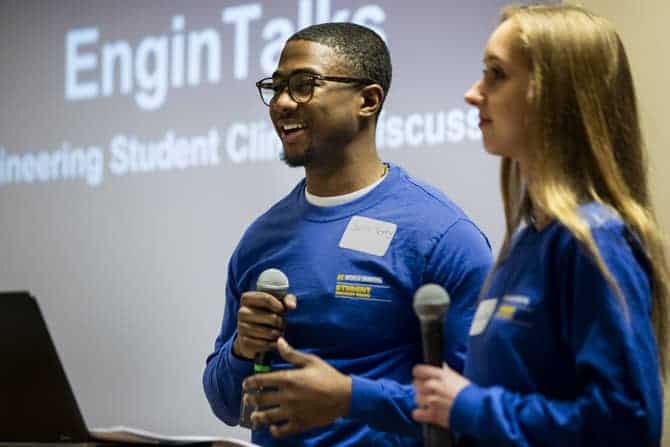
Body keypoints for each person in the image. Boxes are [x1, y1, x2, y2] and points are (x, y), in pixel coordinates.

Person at [202, 22, 493, 446]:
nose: (282, 103)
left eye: (304, 85)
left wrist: (349, 398)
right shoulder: (260, 240)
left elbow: (478, 410)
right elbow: (226, 405)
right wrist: (243, 350)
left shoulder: (442, 237)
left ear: (368, 100)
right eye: (276, 86)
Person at [412, 4, 669, 446]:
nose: (474, 93)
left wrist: (470, 406)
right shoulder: (527, 242)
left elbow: (627, 421)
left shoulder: (592, 239)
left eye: (496, 74)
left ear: (554, 92)